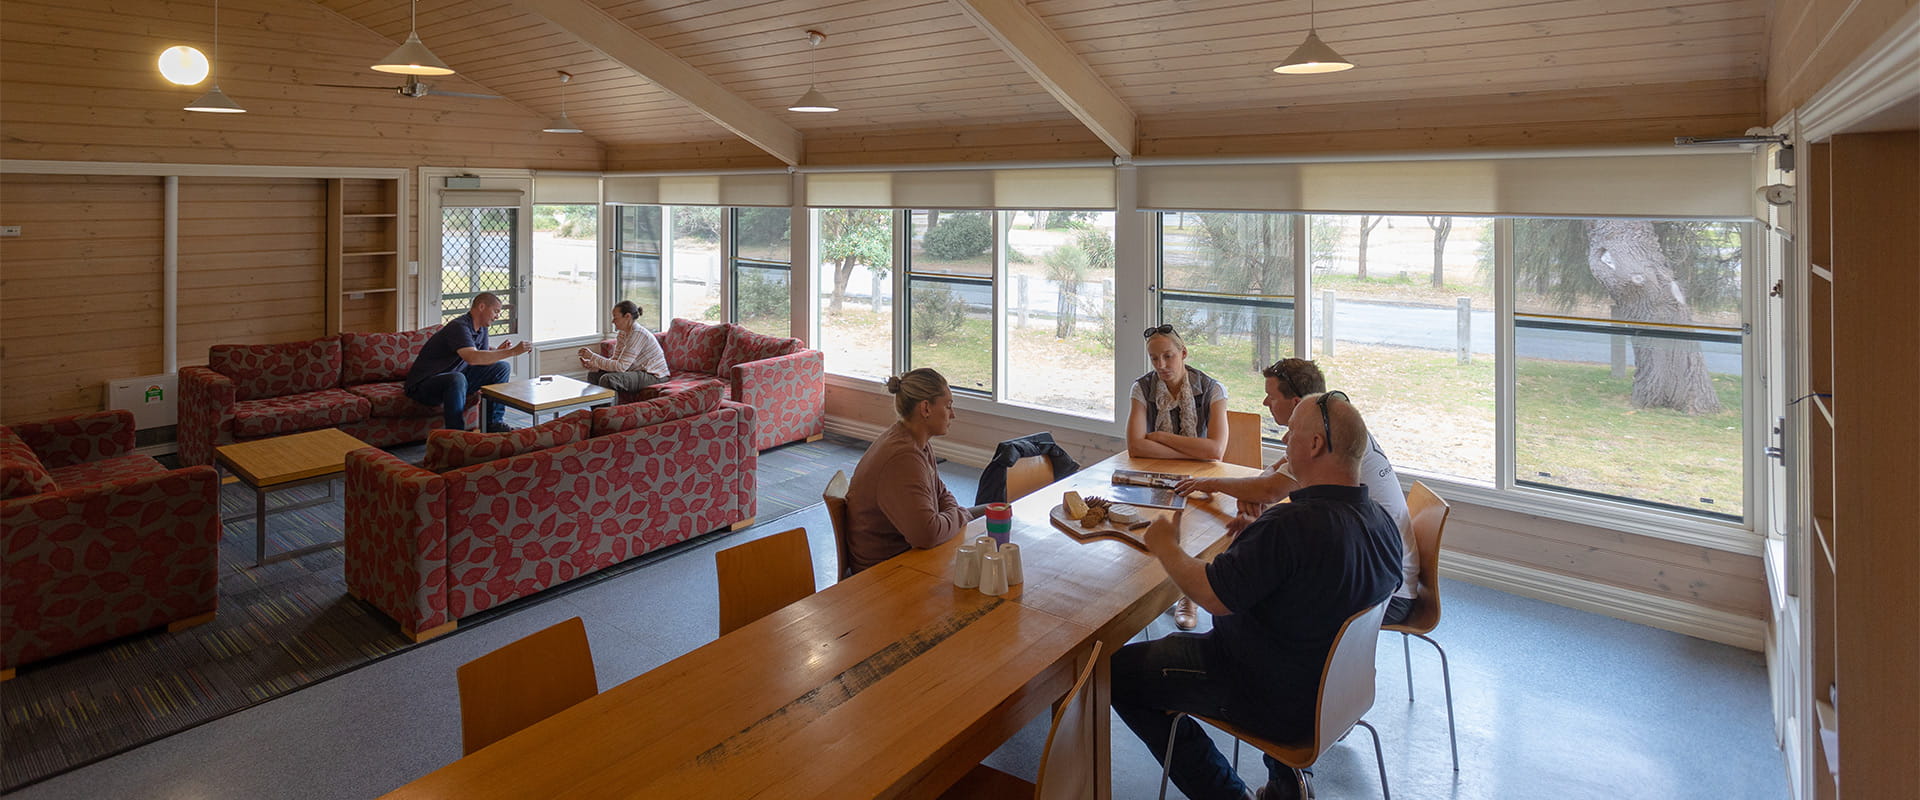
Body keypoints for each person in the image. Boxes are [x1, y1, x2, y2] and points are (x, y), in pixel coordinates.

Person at [1113, 392, 1404, 800]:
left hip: (1262, 690)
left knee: (1115, 673)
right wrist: (1257, 544)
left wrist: (1166, 546)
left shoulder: (1291, 525)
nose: (1284, 444)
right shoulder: (1381, 523)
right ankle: (1285, 785)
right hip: (1335, 695)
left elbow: (1211, 596)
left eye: (1290, 435)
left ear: (1316, 445)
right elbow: (1314, 586)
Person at [1175, 359, 1418, 626]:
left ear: (1296, 405)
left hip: (1382, 594)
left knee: (1255, 589)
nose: (1265, 403)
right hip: (1376, 571)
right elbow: (1272, 474)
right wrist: (1255, 491)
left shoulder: (1324, 445)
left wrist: (1209, 483)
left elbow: (1269, 490)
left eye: (1271, 396)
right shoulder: (1335, 429)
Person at [1127, 324, 1231, 630]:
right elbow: (1134, 447)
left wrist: (1160, 436)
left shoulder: (1212, 389)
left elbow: (1215, 450)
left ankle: (1189, 593)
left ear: (1183, 353)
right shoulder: (1142, 388)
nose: (1161, 365)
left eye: (1168, 357)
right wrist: (1193, 450)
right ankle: (1147, 585)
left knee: (1193, 522)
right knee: (1136, 518)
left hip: (1204, 476)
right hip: (1154, 470)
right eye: (1154, 358)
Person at [843, 368, 989, 573]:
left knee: (998, 509)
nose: (953, 415)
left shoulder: (915, 441)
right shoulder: (903, 457)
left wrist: (954, 514)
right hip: (885, 574)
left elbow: (941, 493)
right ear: (926, 408)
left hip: (908, 555)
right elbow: (927, 535)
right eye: (948, 406)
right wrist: (960, 515)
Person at [404, 292, 531, 433]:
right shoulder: (458, 327)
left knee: (502, 367)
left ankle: (493, 424)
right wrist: (512, 352)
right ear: (482, 306)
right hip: (424, 386)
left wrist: (497, 352)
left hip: (456, 381)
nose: (497, 316)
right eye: (496, 311)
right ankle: (457, 434)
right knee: (457, 377)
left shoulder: (482, 329)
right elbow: (472, 357)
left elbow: (481, 360)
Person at [576, 300, 669, 392]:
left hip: (654, 375)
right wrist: (595, 365)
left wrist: (593, 357)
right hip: (635, 370)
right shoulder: (622, 334)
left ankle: (611, 407)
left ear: (627, 316)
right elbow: (615, 361)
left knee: (608, 379)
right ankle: (598, 407)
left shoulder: (638, 334)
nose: (613, 321)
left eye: (615, 318)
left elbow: (621, 367)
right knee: (593, 374)